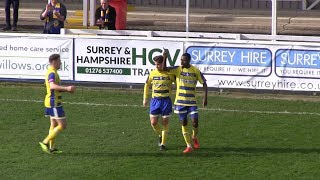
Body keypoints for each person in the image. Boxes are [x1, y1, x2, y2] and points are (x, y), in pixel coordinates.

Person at [164, 52, 208, 154]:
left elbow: (204, 83)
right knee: (184, 122)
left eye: (184, 60)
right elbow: (165, 68)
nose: (182, 62)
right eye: (181, 60)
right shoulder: (178, 69)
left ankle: (194, 136)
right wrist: (165, 57)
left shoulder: (195, 70)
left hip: (192, 102)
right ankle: (189, 145)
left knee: (195, 122)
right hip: (180, 102)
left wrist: (205, 98)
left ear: (188, 60)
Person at [39, 53, 76, 154]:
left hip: (51, 102)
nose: (61, 63)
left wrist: (65, 90)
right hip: (54, 103)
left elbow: (54, 88)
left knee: (54, 124)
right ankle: (45, 142)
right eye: (59, 61)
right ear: (54, 62)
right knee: (63, 125)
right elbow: (52, 86)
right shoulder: (52, 73)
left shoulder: (52, 72)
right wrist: (67, 88)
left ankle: (52, 148)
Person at [143, 54, 175, 151]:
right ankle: (161, 135)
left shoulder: (169, 74)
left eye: (158, 64)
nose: (157, 66)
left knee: (165, 122)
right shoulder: (152, 73)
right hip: (155, 101)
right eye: (156, 64)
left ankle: (163, 144)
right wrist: (145, 98)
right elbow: (146, 85)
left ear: (163, 64)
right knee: (153, 122)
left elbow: (178, 83)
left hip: (166, 101)